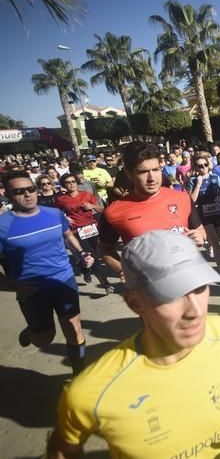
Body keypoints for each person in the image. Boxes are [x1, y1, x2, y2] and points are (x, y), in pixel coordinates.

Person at [47, 230, 220, 459]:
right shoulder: (90, 392)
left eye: (199, 287)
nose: (195, 310)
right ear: (135, 303)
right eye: (171, 295)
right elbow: (62, 449)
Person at [0, 171, 94, 375]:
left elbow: (68, 236)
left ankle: (80, 375)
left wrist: (82, 253)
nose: (27, 194)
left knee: (74, 327)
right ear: (7, 195)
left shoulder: (53, 214)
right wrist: (13, 285)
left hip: (63, 280)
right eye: (19, 191)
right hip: (31, 290)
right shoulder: (3, 226)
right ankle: (32, 332)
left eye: (30, 189)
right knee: (44, 339)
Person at [98, 141, 206, 276]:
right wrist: (122, 270)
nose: (152, 178)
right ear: (128, 173)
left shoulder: (182, 198)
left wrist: (200, 237)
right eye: (143, 172)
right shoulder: (113, 212)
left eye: (155, 170)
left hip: (188, 282)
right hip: (148, 291)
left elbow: (200, 230)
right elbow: (105, 249)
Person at [55, 173, 114, 294]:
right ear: (64, 185)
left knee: (94, 254)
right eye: (68, 182)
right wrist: (65, 218)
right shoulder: (61, 199)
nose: (71, 184)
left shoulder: (87, 195)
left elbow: (102, 209)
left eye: (73, 181)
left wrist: (91, 205)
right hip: (76, 230)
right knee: (91, 256)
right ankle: (106, 284)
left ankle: (85, 269)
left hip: (92, 227)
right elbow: (57, 214)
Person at [187, 154, 220, 283]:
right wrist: (198, 184)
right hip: (203, 215)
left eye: (205, 165)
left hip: (217, 213)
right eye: (200, 166)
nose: (203, 168)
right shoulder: (193, 180)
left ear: (208, 166)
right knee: (217, 245)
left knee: (215, 241)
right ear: (196, 168)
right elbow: (191, 200)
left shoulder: (215, 177)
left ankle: (208, 245)